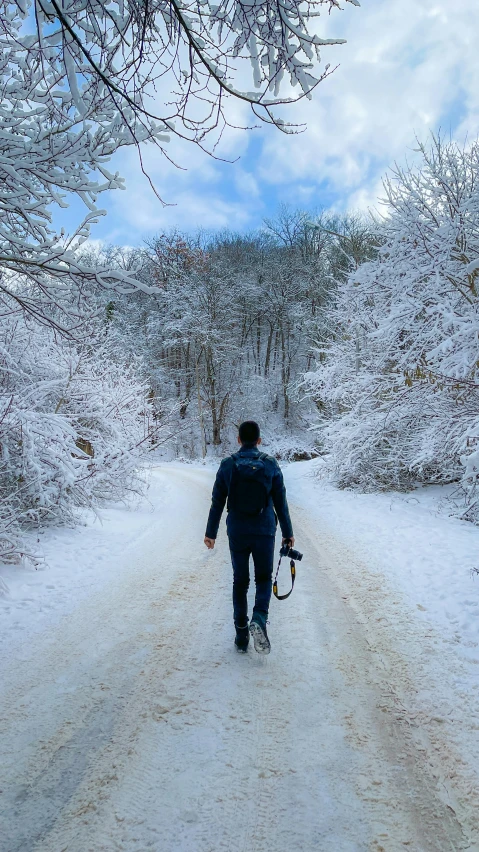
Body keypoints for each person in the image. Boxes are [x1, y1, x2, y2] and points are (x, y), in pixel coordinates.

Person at [204, 420, 294, 655]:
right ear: (259, 440)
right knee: (263, 579)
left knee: (240, 581)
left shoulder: (227, 465)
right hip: (264, 530)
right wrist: (288, 533)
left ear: (238, 440)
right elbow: (280, 502)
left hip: (238, 531)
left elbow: (217, 501)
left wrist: (210, 533)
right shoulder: (270, 464)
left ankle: (241, 634)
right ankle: (259, 619)